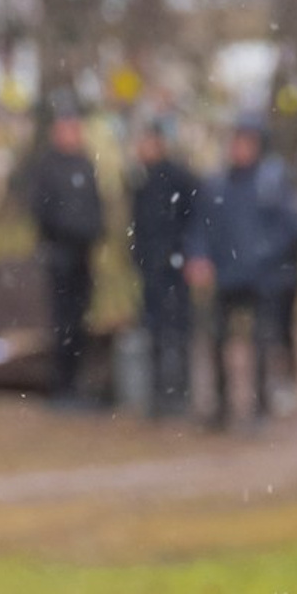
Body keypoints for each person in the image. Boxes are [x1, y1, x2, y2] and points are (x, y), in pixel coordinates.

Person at [187, 117, 297, 429]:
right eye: (237, 141)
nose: (239, 148)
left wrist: (263, 253)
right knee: (215, 340)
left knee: (262, 343)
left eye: (246, 142)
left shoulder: (272, 182)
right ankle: (221, 407)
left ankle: (260, 407)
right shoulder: (217, 184)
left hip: (263, 278)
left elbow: (293, 226)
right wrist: (198, 257)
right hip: (226, 276)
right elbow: (201, 226)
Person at [23, 98, 105, 405]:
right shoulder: (47, 167)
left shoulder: (84, 164)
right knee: (63, 323)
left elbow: (95, 207)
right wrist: (67, 234)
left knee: (80, 321)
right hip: (60, 256)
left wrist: (93, 233)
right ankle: (62, 387)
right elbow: (42, 212)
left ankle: (77, 386)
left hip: (83, 256)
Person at [127, 117, 201, 418]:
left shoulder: (180, 178)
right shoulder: (140, 182)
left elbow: (193, 219)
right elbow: (138, 227)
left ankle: (181, 391)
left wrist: (185, 253)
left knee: (179, 330)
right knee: (155, 331)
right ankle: (159, 393)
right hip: (152, 269)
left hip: (175, 267)